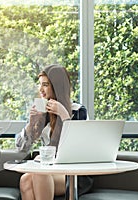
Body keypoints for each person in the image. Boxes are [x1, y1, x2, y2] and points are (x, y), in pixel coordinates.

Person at [15, 64, 93, 200]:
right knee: (25, 180)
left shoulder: (78, 111)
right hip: (49, 168)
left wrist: (64, 115)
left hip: (74, 173)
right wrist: (31, 123)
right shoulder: (42, 110)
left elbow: (78, 147)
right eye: (39, 84)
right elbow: (21, 148)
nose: (40, 89)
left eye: (45, 85)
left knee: (40, 174)